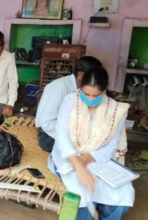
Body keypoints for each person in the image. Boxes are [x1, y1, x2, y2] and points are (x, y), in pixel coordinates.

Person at [48, 67, 133, 220]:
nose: (91, 99)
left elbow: (111, 146)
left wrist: (86, 159)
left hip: (98, 159)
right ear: (80, 88)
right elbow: (62, 139)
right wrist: (79, 166)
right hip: (68, 158)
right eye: (86, 94)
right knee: (82, 193)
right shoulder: (70, 102)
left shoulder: (114, 111)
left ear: (105, 90)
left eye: (96, 95)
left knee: (122, 193)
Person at [35, 56, 102, 152]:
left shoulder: (82, 88)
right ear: (80, 75)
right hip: (49, 137)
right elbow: (46, 123)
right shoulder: (60, 87)